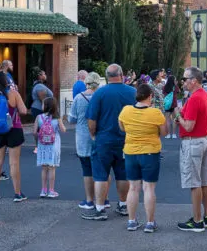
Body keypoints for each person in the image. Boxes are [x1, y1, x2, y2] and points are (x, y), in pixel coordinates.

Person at [82, 64, 136, 221]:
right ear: (121, 74)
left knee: (100, 175)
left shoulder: (99, 94)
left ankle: (99, 209)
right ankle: (123, 204)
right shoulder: (132, 92)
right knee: (123, 174)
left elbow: (91, 120)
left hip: (104, 139)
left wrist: (93, 136)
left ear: (105, 76)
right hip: (126, 140)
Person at [119, 83, 169, 232]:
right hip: (150, 153)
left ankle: (132, 221)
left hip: (130, 152)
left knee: (133, 188)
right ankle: (149, 223)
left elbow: (122, 127)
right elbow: (164, 132)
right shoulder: (155, 113)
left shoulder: (126, 111)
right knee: (148, 188)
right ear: (150, 96)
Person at [174, 66, 207, 232]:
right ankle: (206, 216)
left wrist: (177, 116)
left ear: (194, 81)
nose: (183, 82)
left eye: (185, 79)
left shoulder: (194, 98)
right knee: (205, 181)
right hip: (206, 139)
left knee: (194, 182)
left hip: (193, 142)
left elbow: (189, 126)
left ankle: (197, 221)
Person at [0, 71, 28, 202]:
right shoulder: (13, 94)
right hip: (14, 128)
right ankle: (17, 193)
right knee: (14, 163)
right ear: (6, 81)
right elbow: (24, 110)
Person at [69, 72, 105, 209]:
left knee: (87, 170)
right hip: (100, 136)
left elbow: (72, 119)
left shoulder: (79, 98)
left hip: (83, 137)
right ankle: (103, 200)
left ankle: (89, 201)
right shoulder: (101, 97)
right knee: (102, 170)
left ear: (86, 83)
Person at [35, 97, 65, 198]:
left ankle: (43, 190)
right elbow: (63, 130)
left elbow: (35, 132)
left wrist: (38, 139)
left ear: (46, 106)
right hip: (54, 143)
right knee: (52, 168)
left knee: (44, 168)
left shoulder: (39, 117)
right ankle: (51, 191)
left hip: (42, 144)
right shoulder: (57, 118)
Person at [30, 68, 53, 152]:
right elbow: (43, 99)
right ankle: (38, 146)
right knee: (39, 128)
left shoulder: (39, 85)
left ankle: (41, 145)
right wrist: (47, 110)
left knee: (41, 128)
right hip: (39, 109)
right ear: (39, 76)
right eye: (44, 74)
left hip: (38, 108)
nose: (45, 75)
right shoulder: (39, 86)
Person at [162, 75, 180, 139]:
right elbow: (178, 92)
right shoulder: (175, 87)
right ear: (173, 80)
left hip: (167, 105)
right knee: (174, 119)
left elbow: (163, 94)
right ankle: (174, 134)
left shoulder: (165, 87)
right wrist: (176, 84)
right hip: (174, 105)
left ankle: (168, 134)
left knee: (167, 119)